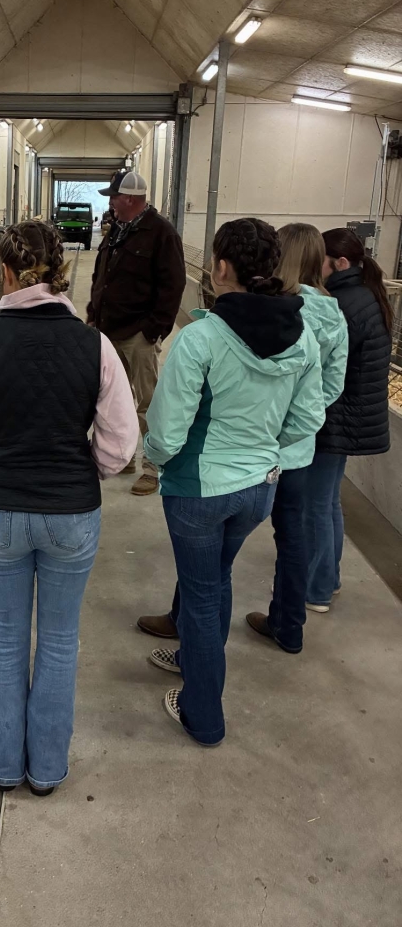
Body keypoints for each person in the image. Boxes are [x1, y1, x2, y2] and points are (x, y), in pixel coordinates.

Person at [0, 221, 139, 796]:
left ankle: (3, 766)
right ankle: (47, 769)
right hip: (71, 512)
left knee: (5, 638)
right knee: (58, 640)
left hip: (1, 509)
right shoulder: (95, 343)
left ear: (3, 272)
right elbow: (121, 442)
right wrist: (88, 471)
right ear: (63, 272)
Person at [142, 218, 325, 747]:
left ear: (221, 267)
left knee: (200, 596)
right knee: (215, 580)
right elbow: (306, 417)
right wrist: (267, 453)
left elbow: (167, 429)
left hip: (200, 489)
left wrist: (157, 460)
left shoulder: (201, 338)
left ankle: (203, 713)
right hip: (258, 488)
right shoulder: (304, 336)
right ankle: (192, 663)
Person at [243, 224, 348, 650]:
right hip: (300, 448)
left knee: (216, 534)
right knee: (294, 535)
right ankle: (288, 625)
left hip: (254, 442)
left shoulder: (275, 307)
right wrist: (300, 420)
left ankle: (187, 620)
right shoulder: (335, 312)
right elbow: (332, 385)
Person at [303, 227, 393, 613]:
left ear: (339, 263)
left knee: (316, 506)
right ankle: (330, 578)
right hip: (351, 415)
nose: (315, 270)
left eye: (319, 262)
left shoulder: (341, 303)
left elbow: (322, 363)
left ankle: (317, 590)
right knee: (328, 503)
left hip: (336, 416)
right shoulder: (366, 295)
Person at [87, 170, 186, 496]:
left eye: (114, 196)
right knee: (115, 400)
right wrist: (92, 315)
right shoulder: (118, 229)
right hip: (108, 330)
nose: (110, 202)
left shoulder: (161, 233)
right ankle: (125, 455)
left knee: (148, 404)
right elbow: (102, 276)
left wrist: (152, 330)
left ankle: (152, 468)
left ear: (129, 198)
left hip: (137, 335)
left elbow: (173, 286)